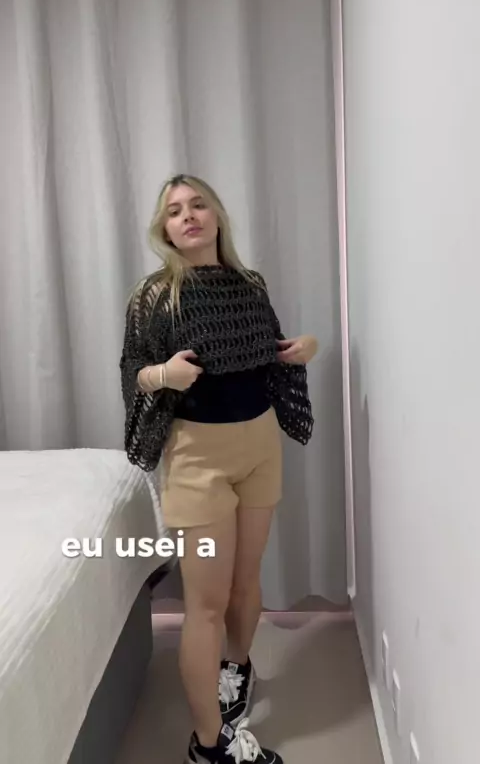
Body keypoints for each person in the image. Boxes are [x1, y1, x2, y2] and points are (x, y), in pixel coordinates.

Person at [120, 174, 317, 764]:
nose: (188, 216)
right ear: (165, 229)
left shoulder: (249, 285)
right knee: (204, 604)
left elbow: (269, 353)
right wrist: (164, 374)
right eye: (174, 210)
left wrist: (301, 349)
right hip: (197, 458)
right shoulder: (156, 295)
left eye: (198, 204)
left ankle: (236, 669)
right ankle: (208, 745)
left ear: (216, 216)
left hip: (259, 448)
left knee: (246, 581)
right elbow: (133, 371)